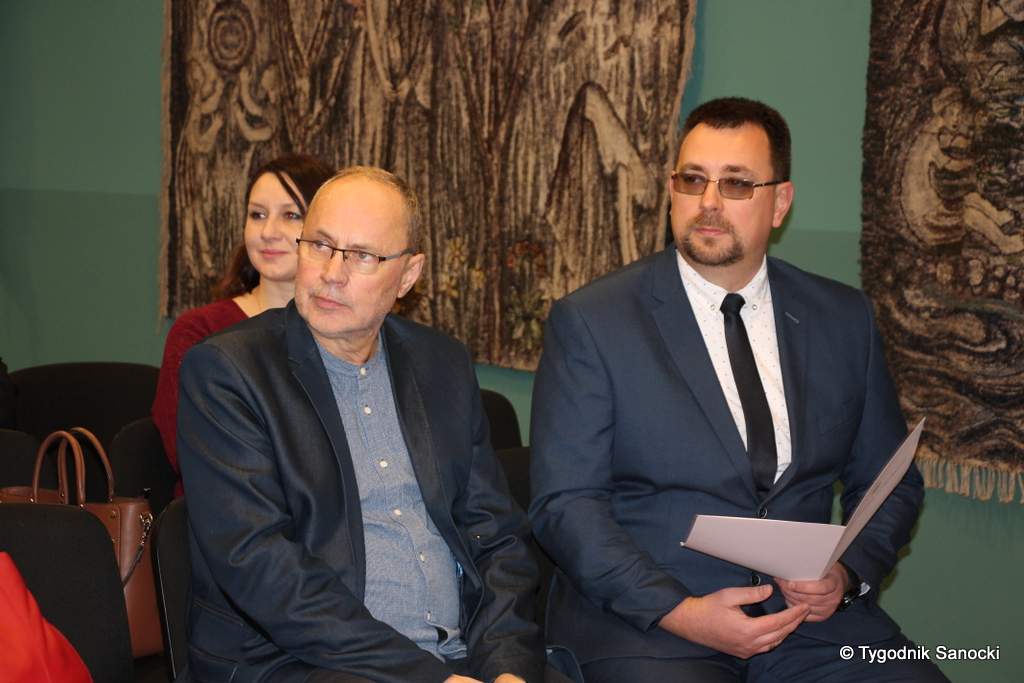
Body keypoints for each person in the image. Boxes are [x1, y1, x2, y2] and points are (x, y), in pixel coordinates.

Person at [529, 97, 948, 682]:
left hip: (812, 625)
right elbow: (565, 504)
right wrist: (679, 611)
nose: (708, 202)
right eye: (692, 180)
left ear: (781, 203)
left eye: (736, 184)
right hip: (650, 623)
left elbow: (890, 481)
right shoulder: (594, 321)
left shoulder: (843, 318)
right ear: (671, 189)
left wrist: (845, 573)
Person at [177, 167, 574, 682]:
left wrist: (507, 668)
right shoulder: (229, 372)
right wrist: (430, 678)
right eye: (320, 245)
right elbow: (261, 567)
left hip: (460, 656)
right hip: (297, 661)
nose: (331, 273)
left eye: (363, 256)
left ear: (408, 275)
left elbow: (497, 538)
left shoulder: (441, 365)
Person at [152, 154, 333, 495]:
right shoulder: (200, 332)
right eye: (257, 214)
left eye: (291, 215)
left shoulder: (345, 334)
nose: (268, 232)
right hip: (226, 511)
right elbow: (193, 452)